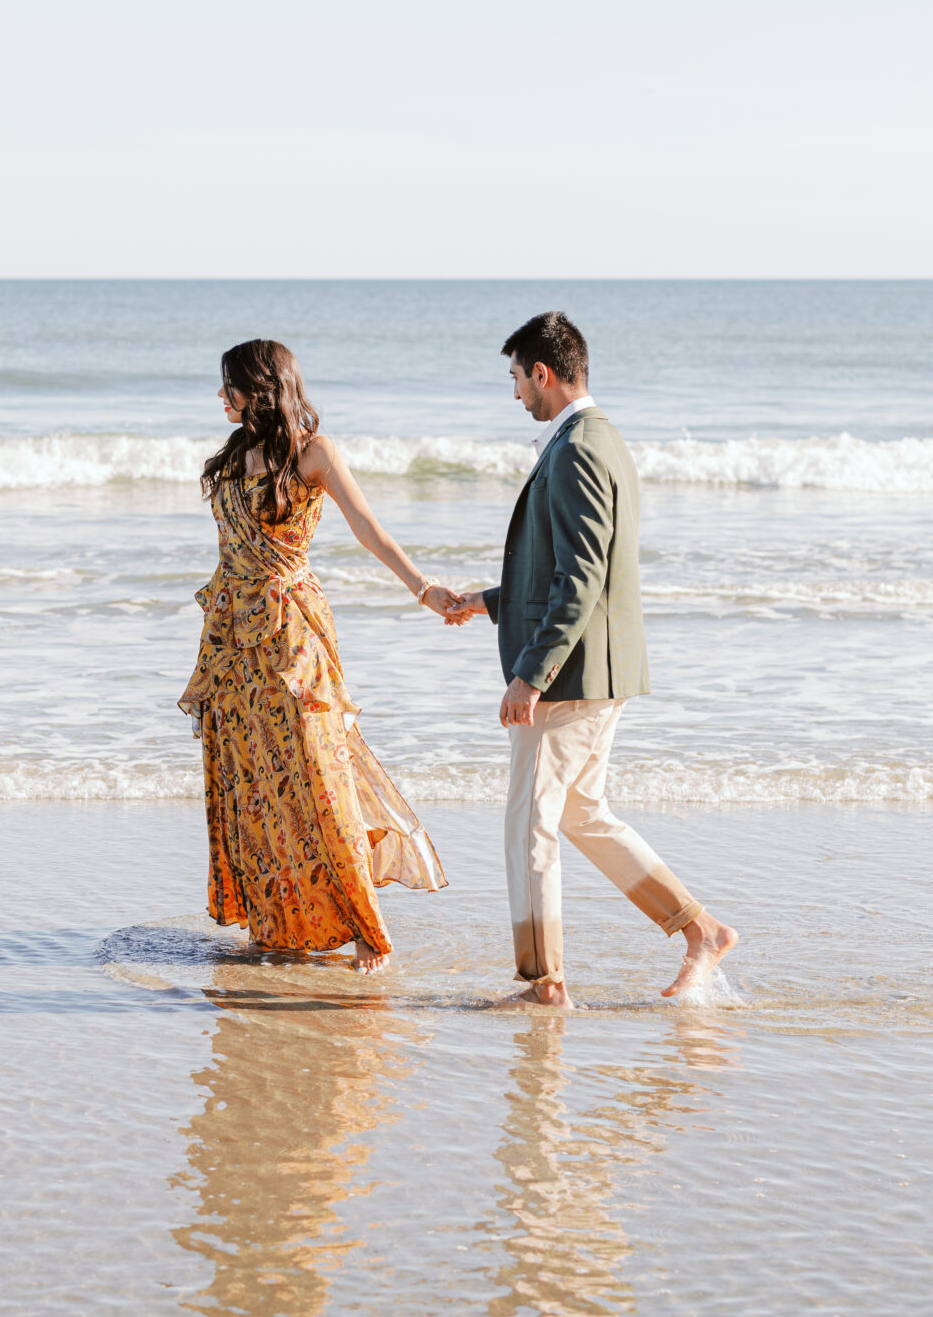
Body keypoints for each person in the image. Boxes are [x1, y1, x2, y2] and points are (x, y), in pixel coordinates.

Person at [445, 312, 739, 1007]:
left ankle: (544, 982)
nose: (515, 393)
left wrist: (531, 673)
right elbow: (572, 571)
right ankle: (700, 929)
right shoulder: (602, 439)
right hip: (600, 669)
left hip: (570, 676)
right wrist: (486, 601)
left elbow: (580, 580)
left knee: (530, 822)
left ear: (542, 373)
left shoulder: (576, 447)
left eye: (516, 378)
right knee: (582, 813)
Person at [178, 339, 461, 971]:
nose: (221, 397)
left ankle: (366, 931)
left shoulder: (313, 453)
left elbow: (367, 527)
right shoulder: (228, 460)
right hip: (233, 644)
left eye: (229, 385)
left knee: (319, 776)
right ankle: (272, 922)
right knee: (252, 783)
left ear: (259, 387)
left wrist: (423, 588)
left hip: (292, 634)